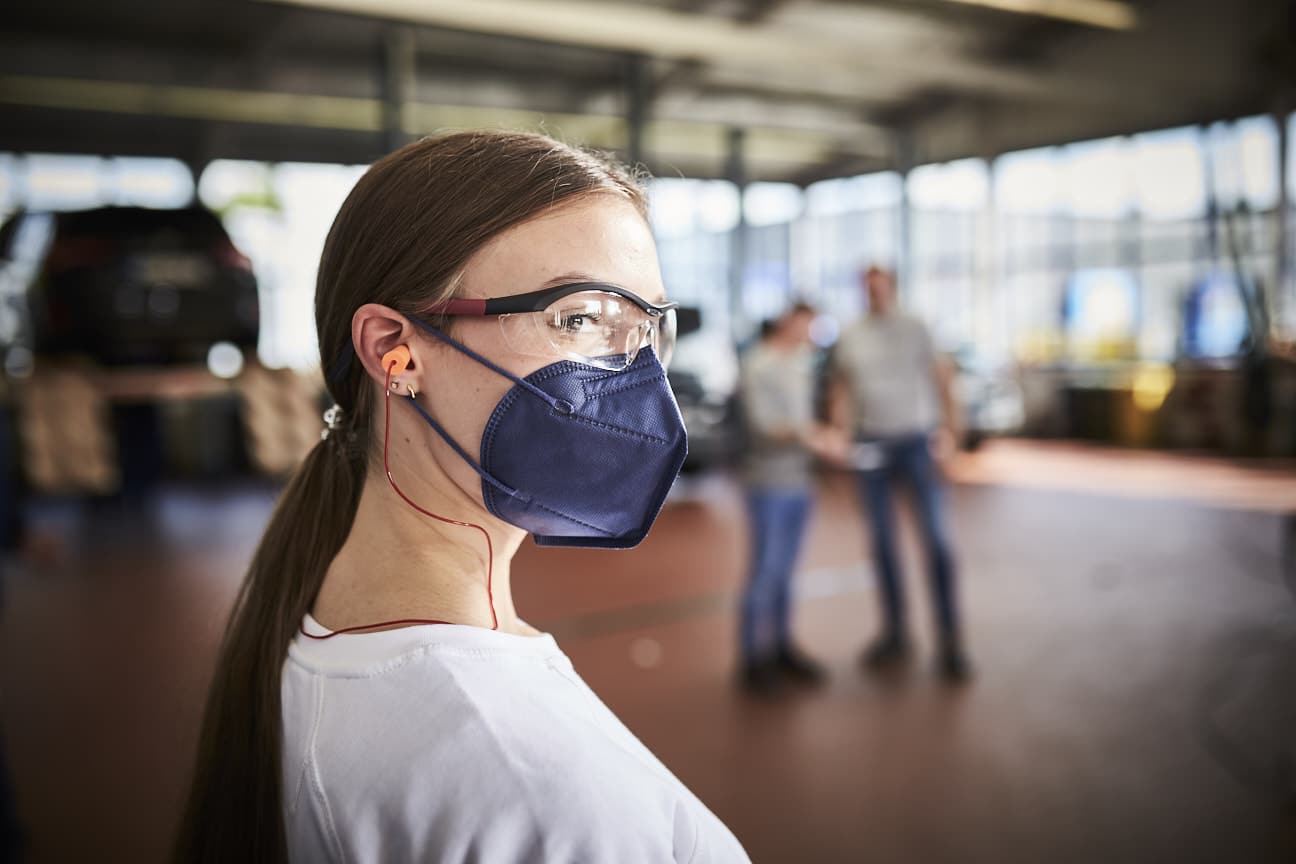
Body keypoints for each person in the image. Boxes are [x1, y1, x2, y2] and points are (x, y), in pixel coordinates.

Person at [175, 132, 750, 863]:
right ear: (394, 350)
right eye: (578, 317)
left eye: (645, 326)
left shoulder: (318, 626)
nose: (635, 377)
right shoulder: (543, 796)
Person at [828, 266, 971, 681]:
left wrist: (952, 437)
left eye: (880, 287)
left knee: (937, 542)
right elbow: (842, 389)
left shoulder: (917, 327)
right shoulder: (852, 334)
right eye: (867, 288)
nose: (874, 294)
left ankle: (950, 641)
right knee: (882, 543)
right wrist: (841, 437)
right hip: (872, 444)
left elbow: (943, 381)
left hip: (917, 443)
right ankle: (895, 633)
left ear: (892, 288)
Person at [736, 303, 837, 692]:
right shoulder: (758, 364)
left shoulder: (801, 363)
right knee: (765, 569)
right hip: (769, 483)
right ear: (787, 323)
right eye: (806, 326)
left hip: (800, 480)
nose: (811, 334)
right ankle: (752, 658)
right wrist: (808, 436)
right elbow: (762, 426)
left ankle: (780, 646)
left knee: (787, 571)